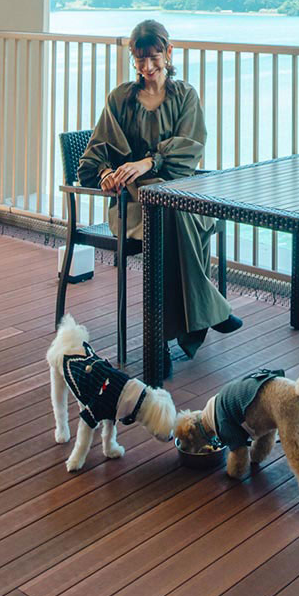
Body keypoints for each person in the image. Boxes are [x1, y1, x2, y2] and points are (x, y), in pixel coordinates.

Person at [77, 19, 240, 358]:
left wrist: (149, 163)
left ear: (168, 52)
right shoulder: (120, 99)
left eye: (154, 58)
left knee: (169, 214)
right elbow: (92, 158)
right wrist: (108, 172)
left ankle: (159, 342)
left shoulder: (185, 96)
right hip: (131, 206)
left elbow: (189, 154)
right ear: (132, 59)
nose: (148, 67)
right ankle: (207, 311)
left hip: (180, 198)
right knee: (163, 217)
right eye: (140, 60)